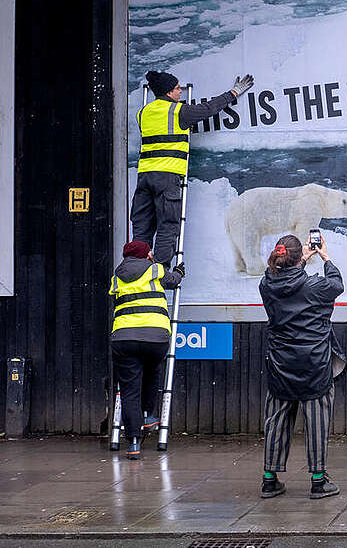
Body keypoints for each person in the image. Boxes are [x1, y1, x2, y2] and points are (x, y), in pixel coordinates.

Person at [131, 70, 254, 267]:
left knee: (141, 228)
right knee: (167, 226)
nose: (180, 91)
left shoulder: (143, 113)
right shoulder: (178, 111)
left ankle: (136, 270)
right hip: (167, 178)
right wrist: (234, 93)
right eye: (177, 88)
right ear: (168, 92)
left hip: (145, 178)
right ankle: (160, 274)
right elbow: (209, 108)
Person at [259, 233, 346, 499]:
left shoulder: (266, 285)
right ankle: (318, 481)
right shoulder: (315, 287)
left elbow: (281, 279)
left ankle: (269, 480)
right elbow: (337, 285)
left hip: (280, 364)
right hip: (314, 364)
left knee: (276, 420)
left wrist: (300, 262)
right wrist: (325, 258)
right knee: (317, 422)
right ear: (299, 257)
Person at [108, 240, 184, 460]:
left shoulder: (116, 276)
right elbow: (172, 281)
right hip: (155, 336)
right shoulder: (155, 269)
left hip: (124, 338)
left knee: (129, 390)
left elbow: (116, 300)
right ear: (145, 254)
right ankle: (149, 415)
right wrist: (179, 271)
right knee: (153, 370)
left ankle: (133, 442)